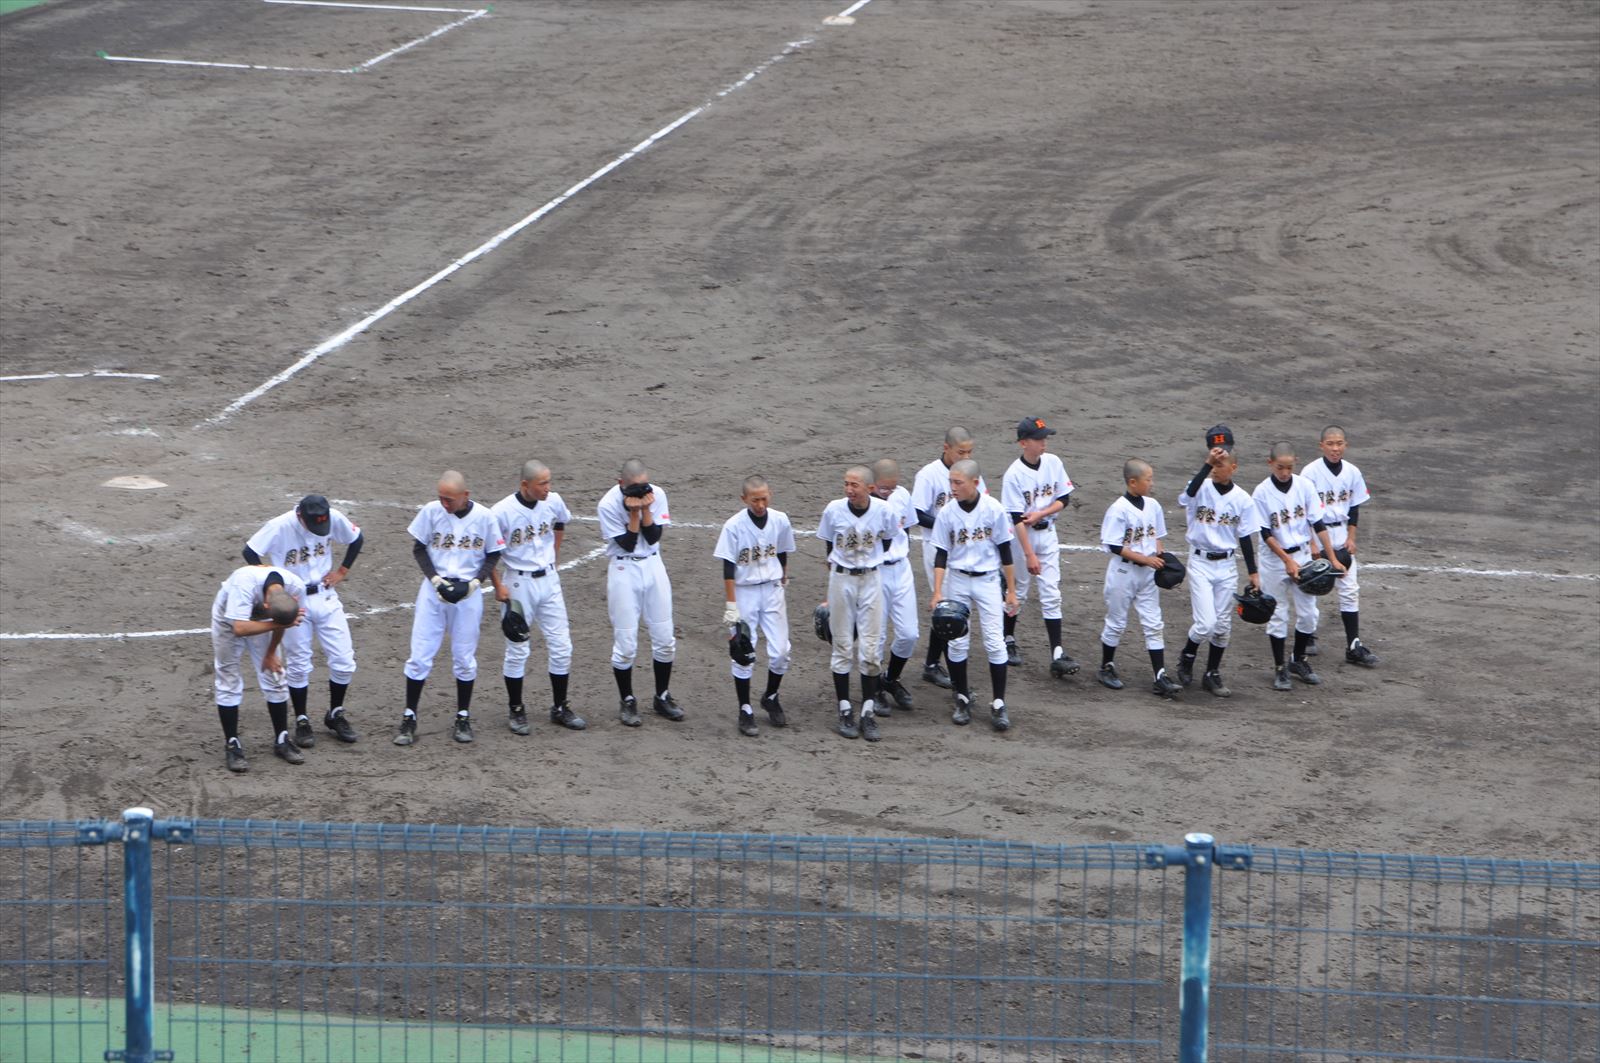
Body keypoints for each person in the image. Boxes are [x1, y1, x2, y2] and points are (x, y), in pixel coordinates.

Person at [395, 470, 505, 746]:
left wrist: (475, 584)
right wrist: (435, 579)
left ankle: (463, 716)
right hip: (433, 593)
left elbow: (493, 554)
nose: (444, 504)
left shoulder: (485, 517)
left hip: (468, 596)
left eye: (450, 499)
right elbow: (419, 548)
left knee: (464, 658)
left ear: (465, 495)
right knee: (419, 655)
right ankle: (409, 716)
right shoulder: (431, 511)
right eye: (441, 498)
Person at [243, 494, 363, 745]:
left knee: (344, 661)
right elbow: (250, 551)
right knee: (299, 663)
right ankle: (302, 719)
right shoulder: (280, 525)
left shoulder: (332, 517)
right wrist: (273, 584)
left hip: (326, 596)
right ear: (300, 516)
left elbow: (356, 538)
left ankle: (335, 713)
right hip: (295, 601)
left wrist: (342, 571)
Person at [491, 460, 586, 737]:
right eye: (542, 483)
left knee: (562, 646)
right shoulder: (501, 512)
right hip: (518, 584)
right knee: (518, 648)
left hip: (550, 581)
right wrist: (498, 586)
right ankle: (516, 709)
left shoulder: (553, 501)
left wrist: (555, 555)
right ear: (525, 485)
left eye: (548, 482)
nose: (548, 488)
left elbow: (561, 522)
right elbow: (488, 552)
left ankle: (560, 707)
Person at [929, 459, 1020, 730]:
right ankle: (962, 697)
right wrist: (937, 591)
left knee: (995, 642)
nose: (953, 487)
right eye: (951, 482)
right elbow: (941, 554)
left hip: (988, 580)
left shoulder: (994, 509)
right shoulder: (947, 512)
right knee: (957, 641)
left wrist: (1012, 591)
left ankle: (999, 703)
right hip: (957, 580)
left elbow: (1006, 552)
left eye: (958, 483)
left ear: (975, 483)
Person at [1174, 428, 1261, 698]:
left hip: (1226, 566)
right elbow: (1185, 497)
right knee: (1206, 624)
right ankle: (1187, 656)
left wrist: (1253, 573)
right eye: (1213, 464)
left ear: (1233, 467)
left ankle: (1212, 673)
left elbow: (1245, 537)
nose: (1215, 469)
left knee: (1222, 627)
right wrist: (1206, 464)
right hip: (1200, 562)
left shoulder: (1243, 500)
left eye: (1220, 465)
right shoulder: (1200, 486)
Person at [1252, 443, 1345, 690]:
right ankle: (1279, 668)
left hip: (1303, 555)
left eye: (1289, 467)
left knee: (1309, 614)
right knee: (1278, 613)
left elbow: (1318, 524)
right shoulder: (1261, 492)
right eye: (1280, 467)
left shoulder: (1304, 486)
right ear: (1270, 464)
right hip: (1274, 560)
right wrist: (1286, 560)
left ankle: (1298, 660)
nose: (1284, 472)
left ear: (1295, 463)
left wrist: (1332, 558)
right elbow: (1265, 533)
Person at [599, 459, 684, 727]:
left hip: (653, 565)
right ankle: (627, 700)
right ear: (620, 484)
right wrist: (634, 513)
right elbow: (627, 543)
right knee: (626, 644)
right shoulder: (607, 504)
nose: (641, 490)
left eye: (644, 485)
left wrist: (645, 508)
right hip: (624, 569)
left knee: (665, 638)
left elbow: (653, 537)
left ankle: (662, 696)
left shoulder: (657, 494)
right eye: (634, 487)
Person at [815, 465, 898, 742]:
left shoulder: (884, 511)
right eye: (846, 484)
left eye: (855, 485)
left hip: (872, 579)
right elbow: (829, 544)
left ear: (870, 488)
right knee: (841, 646)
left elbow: (887, 540)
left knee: (871, 650)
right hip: (841, 580)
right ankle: (844, 709)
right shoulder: (834, 509)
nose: (849, 489)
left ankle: (867, 712)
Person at [714, 475, 796, 737]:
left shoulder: (780, 520)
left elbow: (782, 551)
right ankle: (745, 708)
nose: (760, 505)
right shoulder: (733, 526)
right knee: (743, 650)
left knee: (781, 651)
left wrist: (783, 577)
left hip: (772, 590)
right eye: (754, 500)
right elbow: (728, 568)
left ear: (769, 495)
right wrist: (731, 605)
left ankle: (770, 696)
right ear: (744, 499)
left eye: (764, 498)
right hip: (744, 592)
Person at [1001, 416, 1080, 677]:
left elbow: (1064, 499)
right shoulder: (1013, 475)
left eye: (1045, 438)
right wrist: (1029, 555)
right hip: (1021, 539)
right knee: (1018, 592)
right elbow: (1016, 519)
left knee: (1051, 593)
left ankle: (1057, 653)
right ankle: (1007, 640)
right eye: (1038, 439)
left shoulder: (1053, 462)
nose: (1043, 443)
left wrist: (1041, 514)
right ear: (1023, 443)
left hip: (1047, 534)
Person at [1096, 460, 1183, 699]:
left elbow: (1156, 537)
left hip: (1147, 574)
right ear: (1133, 482)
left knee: (1154, 623)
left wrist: (1161, 557)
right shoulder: (1118, 509)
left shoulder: (1153, 505)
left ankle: (1160, 676)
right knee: (1116, 622)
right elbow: (1115, 546)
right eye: (1148, 479)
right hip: (1123, 573)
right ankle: (1106, 667)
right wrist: (1146, 560)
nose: (1152, 483)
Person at [209, 563, 306, 772]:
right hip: (228, 619)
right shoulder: (244, 585)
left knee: (275, 674)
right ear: (266, 605)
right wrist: (278, 624)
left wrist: (271, 653)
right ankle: (232, 744)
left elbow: (283, 620)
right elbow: (239, 628)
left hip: (266, 619)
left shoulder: (296, 587)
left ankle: (282, 739)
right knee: (228, 677)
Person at [910, 427, 986, 689]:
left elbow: (982, 503)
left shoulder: (970, 473)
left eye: (969, 452)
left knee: (953, 608)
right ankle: (935, 665)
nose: (966, 456)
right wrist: (948, 525)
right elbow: (917, 513)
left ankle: (933, 664)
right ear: (946, 448)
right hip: (937, 549)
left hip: (966, 549)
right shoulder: (928, 475)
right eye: (961, 452)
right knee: (948, 607)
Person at [1301, 425, 1379, 666]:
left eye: (1339, 444)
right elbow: (1303, 511)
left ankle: (1353, 645)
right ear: (1322, 446)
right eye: (1330, 444)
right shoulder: (1310, 473)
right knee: (1311, 586)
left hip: (1341, 533)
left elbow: (1354, 507)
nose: (1335, 449)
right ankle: (1308, 634)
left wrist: (1351, 537)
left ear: (1345, 445)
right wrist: (1311, 543)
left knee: (1349, 589)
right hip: (1316, 533)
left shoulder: (1352, 472)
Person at [869, 458, 918, 713]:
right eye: (883, 488)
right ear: (872, 484)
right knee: (876, 636)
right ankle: (874, 687)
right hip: (875, 572)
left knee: (909, 634)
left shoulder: (902, 495)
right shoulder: (864, 505)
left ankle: (890, 679)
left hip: (901, 569)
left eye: (892, 487)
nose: (888, 492)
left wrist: (902, 553)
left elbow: (906, 528)